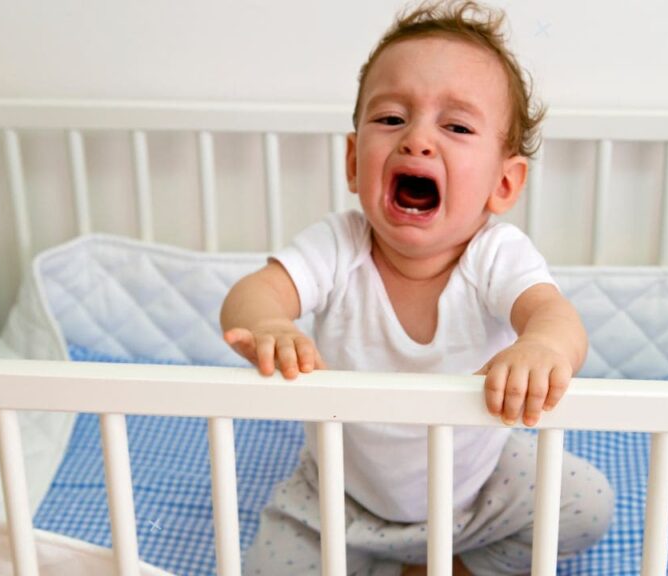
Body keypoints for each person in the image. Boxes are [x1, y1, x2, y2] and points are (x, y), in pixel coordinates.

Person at [220, 1, 613, 573]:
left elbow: (554, 316)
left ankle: (455, 562)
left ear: (503, 183)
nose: (417, 141)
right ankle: (390, 562)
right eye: (390, 119)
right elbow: (254, 293)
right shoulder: (339, 246)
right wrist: (271, 324)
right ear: (354, 162)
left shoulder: (495, 256)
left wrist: (540, 349)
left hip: (475, 495)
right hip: (340, 497)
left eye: (455, 126)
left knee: (585, 504)